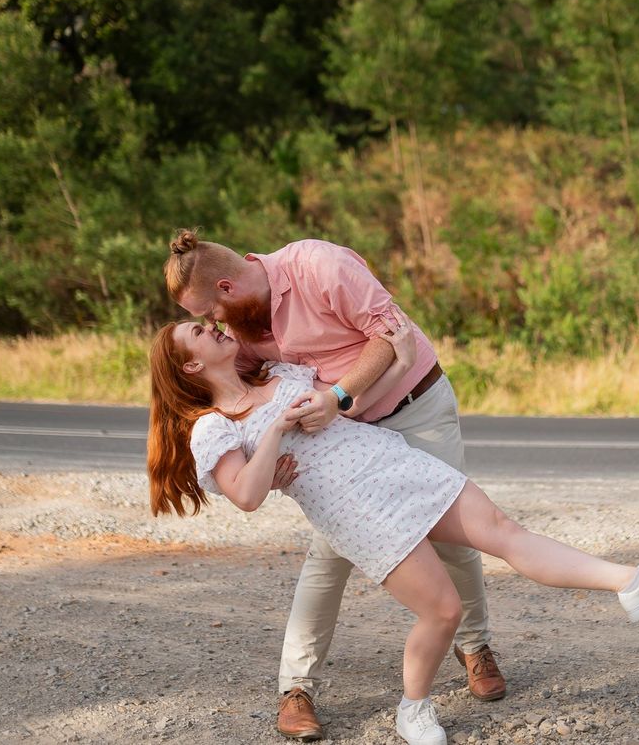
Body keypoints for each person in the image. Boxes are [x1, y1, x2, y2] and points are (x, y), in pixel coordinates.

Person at [147, 315, 639, 745]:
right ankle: (413, 708)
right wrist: (276, 434)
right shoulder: (214, 428)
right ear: (190, 366)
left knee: (503, 530)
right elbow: (245, 495)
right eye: (200, 331)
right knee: (441, 611)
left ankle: (633, 582)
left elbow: (350, 404)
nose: (215, 327)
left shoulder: (280, 372)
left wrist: (399, 361)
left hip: (394, 464)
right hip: (355, 510)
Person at [162, 229, 501, 739]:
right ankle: (296, 687)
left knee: (456, 537)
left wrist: (339, 395)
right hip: (342, 439)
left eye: (209, 313)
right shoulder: (239, 332)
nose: (212, 324)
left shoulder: (316, 265)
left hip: (414, 409)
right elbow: (238, 396)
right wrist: (264, 465)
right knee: (327, 558)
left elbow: (390, 332)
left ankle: (474, 645)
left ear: (228, 288)